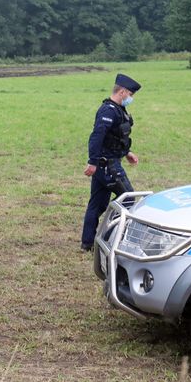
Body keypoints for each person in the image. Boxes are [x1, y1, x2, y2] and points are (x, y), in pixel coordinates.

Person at [80, 73, 142, 251]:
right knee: (128, 199)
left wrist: (127, 152)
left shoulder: (118, 109)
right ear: (122, 92)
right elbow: (97, 137)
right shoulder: (108, 110)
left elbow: (114, 137)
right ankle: (107, 237)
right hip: (108, 165)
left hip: (108, 163)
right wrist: (92, 162)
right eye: (130, 94)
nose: (131, 98)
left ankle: (88, 243)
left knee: (97, 205)